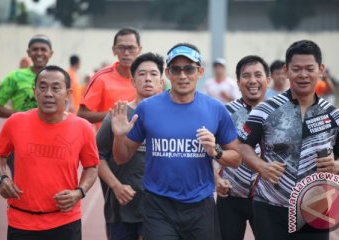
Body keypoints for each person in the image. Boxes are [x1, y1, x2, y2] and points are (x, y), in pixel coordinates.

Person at [111, 43, 242, 240]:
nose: (182, 75)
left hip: (200, 205)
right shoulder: (148, 108)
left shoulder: (215, 109)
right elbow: (121, 158)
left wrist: (216, 151)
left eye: (189, 69)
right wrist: (119, 136)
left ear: (200, 72)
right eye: (176, 69)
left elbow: (237, 157)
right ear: (167, 73)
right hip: (158, 205)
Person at [237, 40, 339, 240]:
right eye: (296, 69)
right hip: (270, 207)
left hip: (315, 207)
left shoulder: (334, 115)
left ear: (321, 70)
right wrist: (260, 166)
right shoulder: (264, 111)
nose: (303, 75)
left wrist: (337, 165)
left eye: (309, 69)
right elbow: (243, 145)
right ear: (286, 70)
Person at [0, 65, 99, 240]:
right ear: (34, 91)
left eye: (55, 88)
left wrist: (79, 192)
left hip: (65, 220)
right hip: (21, 221)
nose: (48, 94)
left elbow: (92, 167)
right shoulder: (15, 122)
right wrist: (1, 179)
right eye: (42, 87)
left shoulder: (82, 128)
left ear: (68, 93)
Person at [96, 52, 164, 240]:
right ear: (133, 82)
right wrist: (116, 186)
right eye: (142, 74)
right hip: (122, 208)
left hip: (159, 206)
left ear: (161, 82)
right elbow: (97, 157)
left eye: (153, 74)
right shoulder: (118, 114)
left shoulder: (170, 116)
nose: (148, 79)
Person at [216, 55, 270, 240]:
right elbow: (204, 152)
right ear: (238, 83)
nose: (253, 81)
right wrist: (215, 178)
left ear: (267, 80)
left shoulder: (282, 114)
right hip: (230, 197)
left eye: (258, 75)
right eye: (246, 76)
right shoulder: (224, 113)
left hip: (269, 199)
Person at [0, 34, 54, 178]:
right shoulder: (15, 77)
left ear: (51, 53)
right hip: (19, 138)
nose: (39, 53)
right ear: (28, 53)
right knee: (23, 180)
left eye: (43, 49)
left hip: (51, 138)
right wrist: (20, 115)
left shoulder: (57, 77)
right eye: (35, 49)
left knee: (48, 178)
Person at [78, 27, 142, 129]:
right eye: (121, 48)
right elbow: (81, 114)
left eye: (131, 48)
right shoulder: (101, 78)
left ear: (139, 49)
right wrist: (113, 115)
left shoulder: (147, 78)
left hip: (141, 143)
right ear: (114, 50)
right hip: (108, 142)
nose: (126, 53)